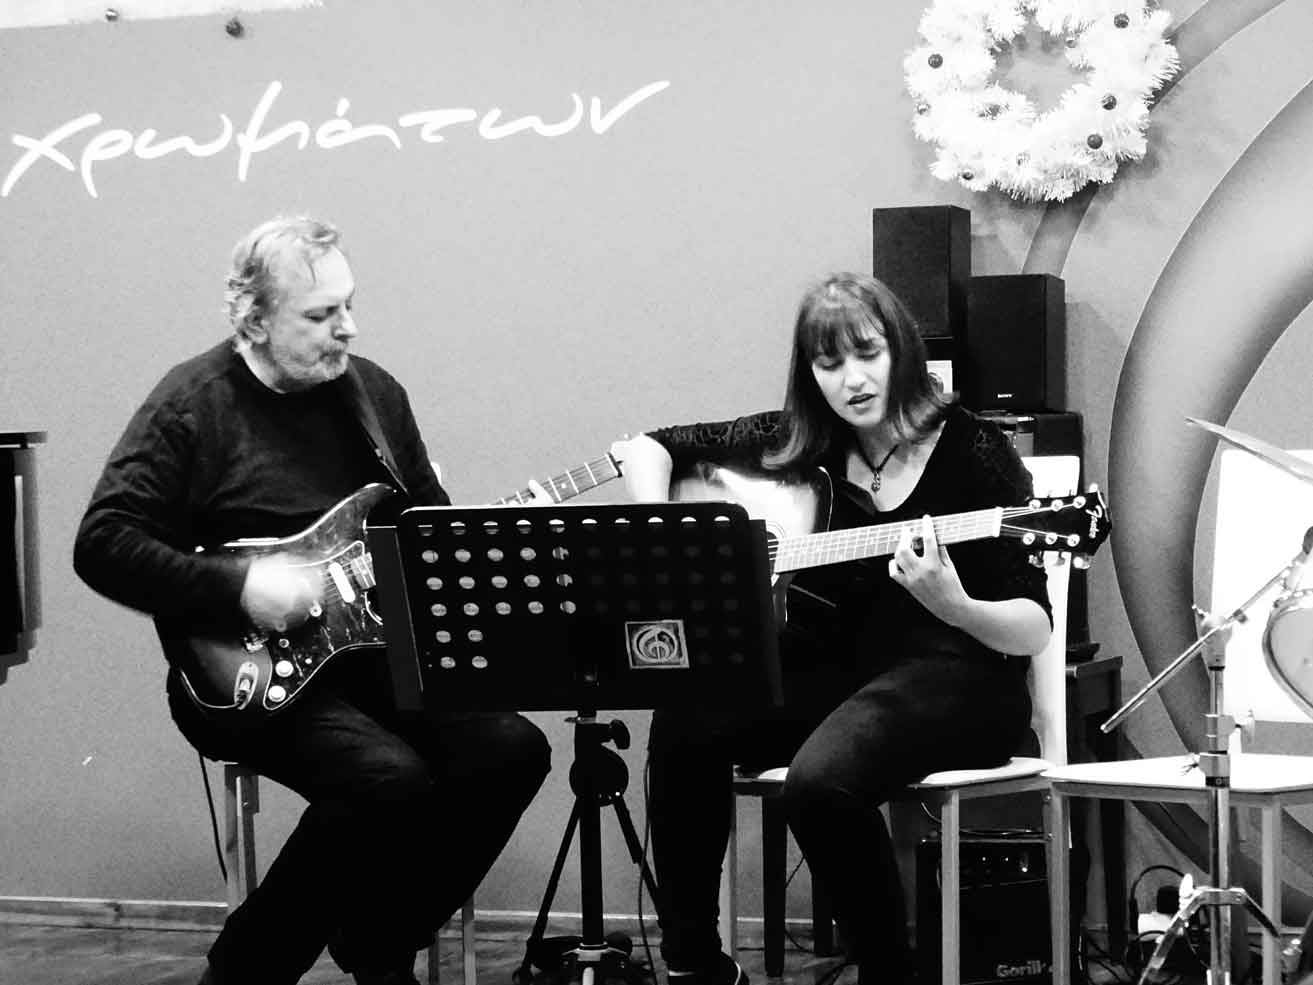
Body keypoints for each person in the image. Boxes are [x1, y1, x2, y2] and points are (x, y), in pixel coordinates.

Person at [73, 215, 551, 985]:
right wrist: (239, 587)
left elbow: (423, 528)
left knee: (512, 751)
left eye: (349, 306)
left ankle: (379, 936)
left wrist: (468, 539)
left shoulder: (374, 396)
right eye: (322, 314)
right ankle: (244, 971)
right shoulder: (193, 406)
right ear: (255, 319)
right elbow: (102, 542)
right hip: (244, 671)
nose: (347, 328)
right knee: (386, 780)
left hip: (369, 652)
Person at [611, 272, 1053, 985]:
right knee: (689, 715)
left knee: (818, 784)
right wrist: (661, 526)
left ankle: (889, 973)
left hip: (961, 677)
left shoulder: (973, 450)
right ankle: (694, 961)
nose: (852, 379)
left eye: (867, 354)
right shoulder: (797, 441)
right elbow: (646, 447)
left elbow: (1032, 628)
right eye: (829, 362)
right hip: (840, 674)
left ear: (900, 351)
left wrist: (954, 604)